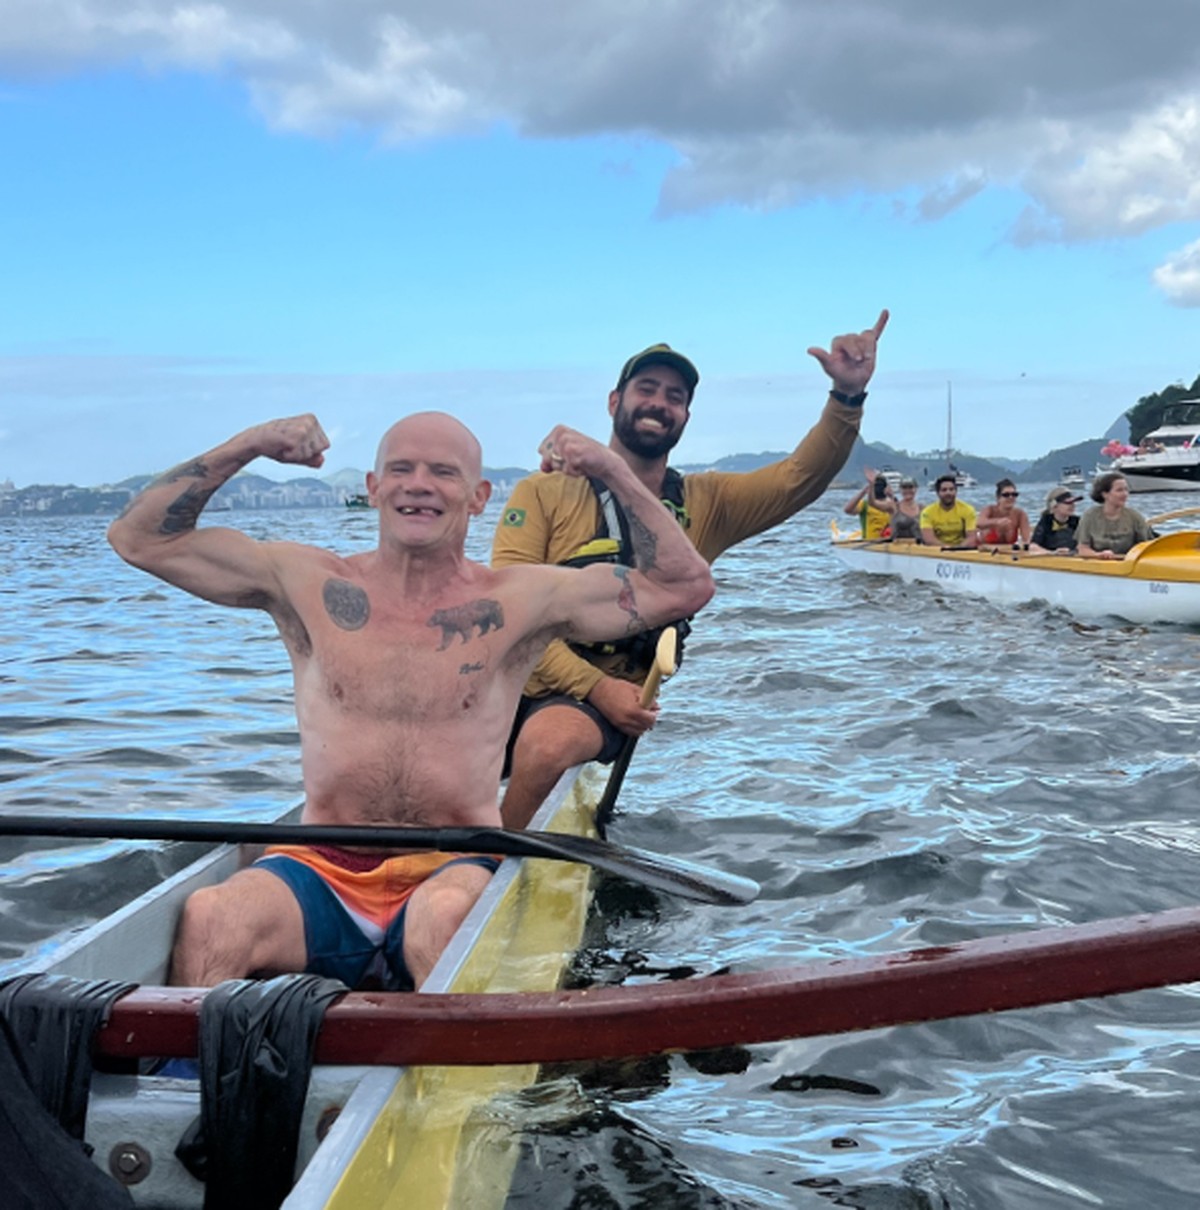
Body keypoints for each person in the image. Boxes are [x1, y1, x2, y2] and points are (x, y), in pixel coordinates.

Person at [107, 412, 713, 990]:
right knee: (212, 918)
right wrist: (250, 444)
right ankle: (193, 1060)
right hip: (321, 866)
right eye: (401, 469)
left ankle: (432, 1052)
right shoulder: (305, 580)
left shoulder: (521, 600)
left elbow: (683, 586)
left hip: (452, 864)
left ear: (478, 497)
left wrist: (610, 468)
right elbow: (137, 538)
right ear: (374, 488)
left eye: (443, 472)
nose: (418, 485)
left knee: (440, 920)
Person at [492, 310, 889, 828]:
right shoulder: (541, 491)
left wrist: (847, 397)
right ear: (614, 402)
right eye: (646, 389)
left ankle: (491, 864)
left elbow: (800, 478)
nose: (659, 403)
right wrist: (591, 684)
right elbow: (509, 613)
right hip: (520, 670)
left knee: (548, 745)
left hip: (603, 699)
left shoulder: (707, 501)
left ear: (685, 417)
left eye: (675, 397)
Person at [1075, 472, 1156, 559]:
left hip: (1127, 562)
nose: (1125, 494)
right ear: (1105, 494)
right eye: (1119, 490)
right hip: (1098, 563)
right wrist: (1099, 555)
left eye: (1126, 490)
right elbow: (1083, 549)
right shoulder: (1090, 516)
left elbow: (1146, 546)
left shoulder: (1135, 516)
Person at [919, 474, 977, 547]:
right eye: (944, 490)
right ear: (938, 493)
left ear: (956, 491)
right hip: (937, 549)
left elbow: (971, 538)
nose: (948, 493)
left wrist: (957, 548)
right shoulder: (927, 512)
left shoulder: (968, 510)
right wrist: (946, 547)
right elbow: (929, 539)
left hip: (962, 548)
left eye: (951, 489)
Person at [974, 479, 1032, 548]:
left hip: (1008, 550)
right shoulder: (990, 510)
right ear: (998, 497)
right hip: (986, 550)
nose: (1011, 497)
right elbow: (979, 523)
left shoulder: (1020, 514)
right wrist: (996, 522)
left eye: (1014, 494)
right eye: (1006, 495)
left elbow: (1026, 540)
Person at [842, 468, 896, 539]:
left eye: (881, 485)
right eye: (876, 485)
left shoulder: (890, 505)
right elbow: (847, 510)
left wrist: (891, 496)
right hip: (869, 542)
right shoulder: (864, 504)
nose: (878, 488)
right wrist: (864, 491)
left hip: (886, 540)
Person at [1029, 486, 1083, 553]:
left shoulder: (1078, 521)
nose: (1072, 505)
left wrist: (1072, 552)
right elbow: (1033, 546)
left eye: (1073, 502)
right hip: (1051, 557)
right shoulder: (1046, 521)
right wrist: (1053, 553)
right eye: (1068, 503)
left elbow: (1085, 545)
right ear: (1054, 506)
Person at [889, 476, 922, 541]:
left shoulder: (922, 508)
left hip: (918, 545)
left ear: (916, 489)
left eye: (910, 487)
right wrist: (872, 484)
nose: (907, 490)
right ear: (900, 489)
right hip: (897, 544)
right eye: (904, 488)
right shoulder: (894, 507)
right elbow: (873, 503)